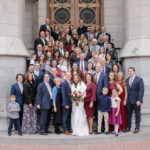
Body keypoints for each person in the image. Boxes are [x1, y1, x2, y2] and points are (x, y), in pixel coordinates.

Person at [126, 67, 144, 133]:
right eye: (129, 71)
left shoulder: (139, 79)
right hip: (129, 101)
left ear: (134, 71)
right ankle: (128, 127)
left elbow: (141, 91)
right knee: (129, 115)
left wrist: (139, 100)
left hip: (136, 101)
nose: (130, 72)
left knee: (137, 114)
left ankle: (137, 127)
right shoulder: (127, 80)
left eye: (131, 71)